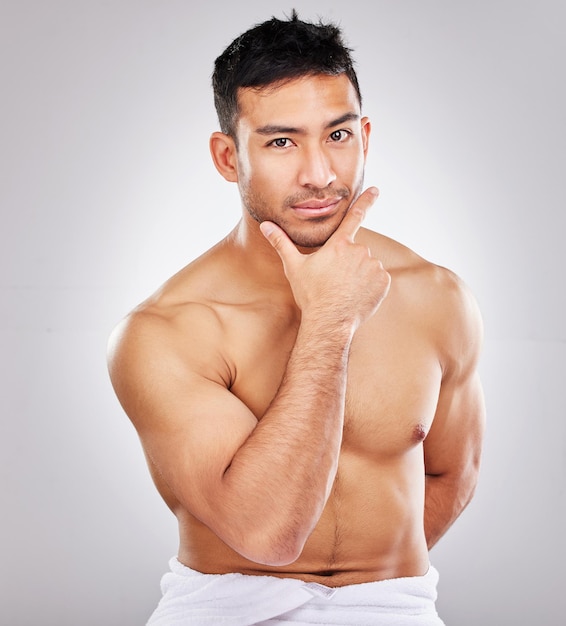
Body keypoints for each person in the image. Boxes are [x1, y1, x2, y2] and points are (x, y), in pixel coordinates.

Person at [107, 10, 485, 625]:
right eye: (282, 141)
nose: (320, 174)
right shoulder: (167, 330)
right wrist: (330, 324)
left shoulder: (436, 295)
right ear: (228, 157)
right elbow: (268, 535)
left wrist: (369, 594)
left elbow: (450, 472)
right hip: (228, 608)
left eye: (337, 135)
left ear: (365, 135)